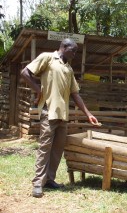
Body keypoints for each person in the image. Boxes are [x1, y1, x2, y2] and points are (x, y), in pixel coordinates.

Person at [21, 38, 100, 198]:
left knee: (57, 149)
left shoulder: (68, 69)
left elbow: (75, 94)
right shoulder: (47, 58)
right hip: (48, 112)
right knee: (45, 147)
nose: (75, 54)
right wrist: (38, 90)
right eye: (73, 50)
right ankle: (38, 183)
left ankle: (50, 179)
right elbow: (25, 72)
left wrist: (88, 114)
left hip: (63, 115)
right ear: (64, 47)